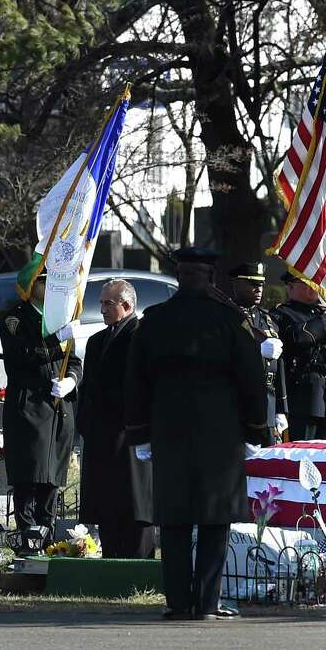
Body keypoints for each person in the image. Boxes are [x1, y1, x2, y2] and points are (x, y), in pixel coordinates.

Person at [125, 247, 268, 620]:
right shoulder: (230, 320)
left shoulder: (153, 320)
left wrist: (140, 433)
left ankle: (177, 601)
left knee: (175, 518)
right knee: (213, 519)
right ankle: (206, 602)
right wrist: (256, 428)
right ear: (209, 276)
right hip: (219, 435)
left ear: (179, 276)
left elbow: (135, 382)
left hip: (169, 431)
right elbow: (251, 378)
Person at [0, 273, 82, 544]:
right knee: (29, 475)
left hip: (59, 408)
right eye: (45, 281)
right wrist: (54, 337)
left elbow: (72, 360)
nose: (50, 288)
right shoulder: (15, 318)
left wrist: (71, 380)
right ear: (31, 285)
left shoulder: (58, 316)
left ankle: (47, 538)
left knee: (52, 478)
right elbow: (21, 354)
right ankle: (27, 537)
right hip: (30, 408)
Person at [77, 279, 153, 558]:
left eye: (108, 303)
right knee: (107, 504)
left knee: (134, 506)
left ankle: (137, 565)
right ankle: (111, 558)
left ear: (127, 305)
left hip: (131, 433)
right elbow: (89, 386)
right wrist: (84, 423)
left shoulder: (141, 335)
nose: (102, 309)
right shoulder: (98, 340)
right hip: (102, 435)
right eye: (101, 303)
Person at [273, 272, 326, 440]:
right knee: (303, 456)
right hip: (304, 398)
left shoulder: (323, 312)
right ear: (291, 286)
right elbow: (299, 338)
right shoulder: (283, 313)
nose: (315, 286)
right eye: (308, 282)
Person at [229, 262, 288, 442]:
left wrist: (280, 409)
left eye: (261, 284)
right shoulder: (228, 317)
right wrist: (256, 350)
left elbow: (279, 367)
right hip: (238, 404)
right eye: (252, 284)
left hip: (267, 403)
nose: (259, 289)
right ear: (237, 284)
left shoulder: (267, 320)